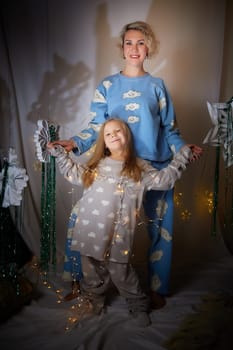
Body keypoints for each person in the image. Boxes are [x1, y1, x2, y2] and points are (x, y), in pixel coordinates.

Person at [51, 21, 203, 308]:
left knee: (160, 228)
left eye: (141, 42)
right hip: (116, 170)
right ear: (122, 48)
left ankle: (158, 287)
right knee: (84, 221)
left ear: (149, 48)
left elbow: (170, 129)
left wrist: (184, 149)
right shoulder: (107, 85)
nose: (135, 48)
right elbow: (97, 125)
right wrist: (74, 143)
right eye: (129, 43)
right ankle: (80, 282)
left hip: (153, 167)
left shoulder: (157, 86)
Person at [48, 118, 192, 327]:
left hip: (119, 231)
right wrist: (61, 154)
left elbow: (165, 180)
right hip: (89, 226)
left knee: (120, 270)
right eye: (108, 134)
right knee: (91, 267)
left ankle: (138, 304)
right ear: (104, 142)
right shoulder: (97, 164)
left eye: (118, 131)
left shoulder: (140, 167)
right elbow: (74, 173)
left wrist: (183, 156)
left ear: (127, 136)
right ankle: (94, 301)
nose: (113, 135)